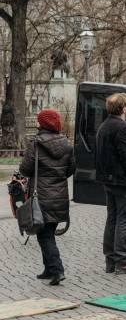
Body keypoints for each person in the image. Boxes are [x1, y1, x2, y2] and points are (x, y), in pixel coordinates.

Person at [19, 110, 75, 285]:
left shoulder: (35, 143)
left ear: (42, 124)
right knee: (48, 232)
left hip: (41, 196)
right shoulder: (67, 144)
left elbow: (25, 169)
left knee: (45, 236)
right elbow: (70, 169)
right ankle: (48, 269)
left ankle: (57, 270)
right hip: (59, 196)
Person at [95, 93, 126, 274]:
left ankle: (111, 259)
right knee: (125, 219)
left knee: (113, 219)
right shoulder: (121, 127)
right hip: (123, 181)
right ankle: (123, 260)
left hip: (109, 180)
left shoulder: (104, 126)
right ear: (123, 108)